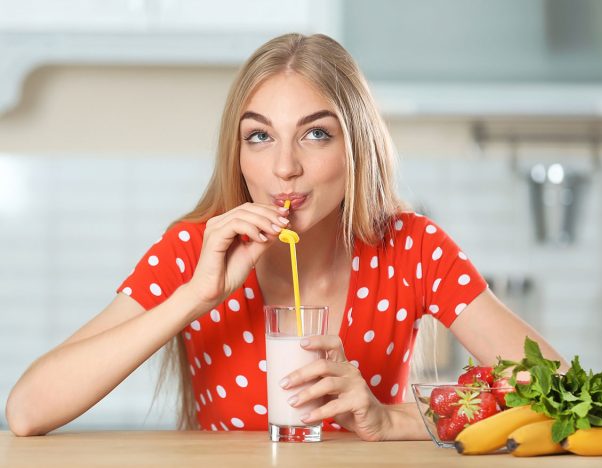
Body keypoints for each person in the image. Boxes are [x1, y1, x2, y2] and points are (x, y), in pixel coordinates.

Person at [5, 33, 568, 440]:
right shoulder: (194, 251)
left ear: (356, 150)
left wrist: (392, 418)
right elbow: (27, 410)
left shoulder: (411, 247)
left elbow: (561, 392)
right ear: (238, 154)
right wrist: (195, 297)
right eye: (259, 137)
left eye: (315, 134)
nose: (284, 168)